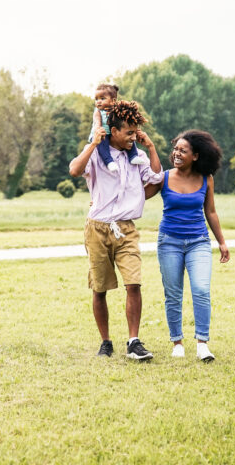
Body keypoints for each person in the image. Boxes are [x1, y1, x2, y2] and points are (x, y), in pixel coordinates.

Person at [69, 100, 163, 360]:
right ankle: (106, 342)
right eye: (129, 132)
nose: (134, 137)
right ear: (114, 131)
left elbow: (156, 178)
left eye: (135, 132)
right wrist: (92, 143)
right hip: (97, 228)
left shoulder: (137, 157)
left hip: (126, 229)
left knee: (134, 284)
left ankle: (133, 342)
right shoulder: (98, 156)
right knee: (100, 288)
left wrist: (151, 147)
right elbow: (75, 170)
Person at [144, 130, 230, 362]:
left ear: (195, 156)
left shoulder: (206, 179)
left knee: (201, 290)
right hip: (169, 242)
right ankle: (177, 343)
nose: (177, 154)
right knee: (173, 294)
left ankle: (202, 344)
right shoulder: (164, 177)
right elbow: (138, 196)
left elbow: (210, 211)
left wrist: (221, 241)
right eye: (176, 149)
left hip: (198, 242)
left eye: (183, 150)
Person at [88, 84, 147, 172]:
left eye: (102, 98)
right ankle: (109, 162)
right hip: (101, 133)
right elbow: (97, 122)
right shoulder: (98, 111)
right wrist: (98, 131)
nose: (98, 101)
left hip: (112, 133)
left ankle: (133, 156)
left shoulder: (116, 110)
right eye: (96, 99)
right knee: (103, 146)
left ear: (113, 101)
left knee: (130, 137)